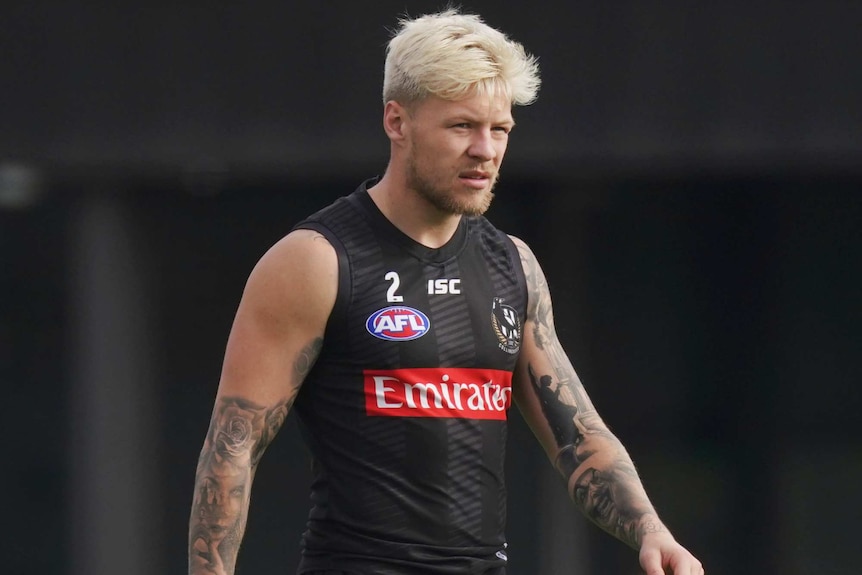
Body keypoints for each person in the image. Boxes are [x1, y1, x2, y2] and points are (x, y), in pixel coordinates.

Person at [188, 8, 704, 575]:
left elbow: (579, 438)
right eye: (462, 126)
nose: (485, 150)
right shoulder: (316, 260)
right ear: (396, 121)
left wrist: (653, 532)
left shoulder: (514, 264)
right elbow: (230, 453)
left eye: (500, 129)